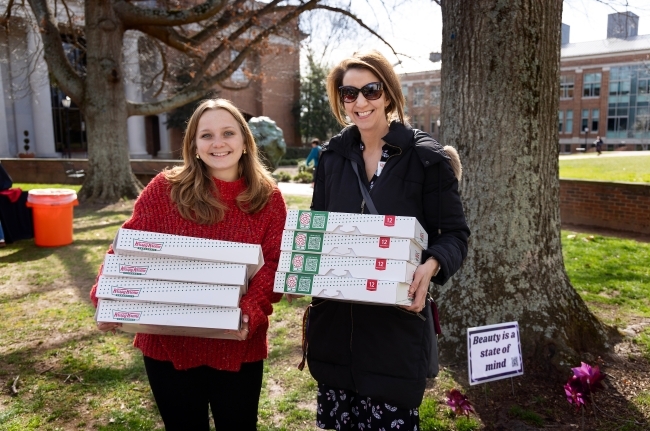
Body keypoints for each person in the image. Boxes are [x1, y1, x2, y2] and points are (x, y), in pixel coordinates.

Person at [90, 99, 287, 431]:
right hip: (167, 345)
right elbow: (127, 247)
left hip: (237, 344)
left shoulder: (268, 198)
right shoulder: (165, 190)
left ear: (244, 139)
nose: (218, 143)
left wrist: (250, 311)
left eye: (227, 132)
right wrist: (107, 299)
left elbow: (274, 264)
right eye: (206, 135)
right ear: (193, 145)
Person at [301, 50, 470, 430]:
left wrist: (432, 264)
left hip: (394, 336)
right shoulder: (331, 158)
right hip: (335, 334)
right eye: (349, 93)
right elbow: (318, 229)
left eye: (371, 90)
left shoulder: (427, 158)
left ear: (389, 94)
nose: (360, 102)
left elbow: (455, 234)